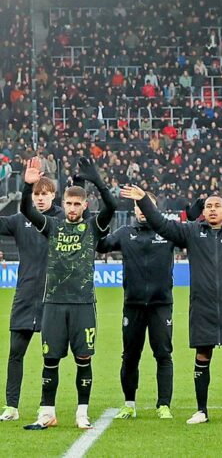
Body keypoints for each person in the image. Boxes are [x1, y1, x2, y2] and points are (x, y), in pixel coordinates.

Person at [123, 180, 222, 425]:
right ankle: (201, 410)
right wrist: (144, 199)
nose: (211, 209)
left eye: (217, 206)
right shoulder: (191, 232)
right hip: (203, 305)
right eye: (208, 206)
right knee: (202, 354)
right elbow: (161, 224)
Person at [20, 157, 116, 430]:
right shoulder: (53, 226)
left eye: (77, 204)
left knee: (83, 358)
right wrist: (28, 187)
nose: (72, 208)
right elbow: (27, 211)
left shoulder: (94, 227)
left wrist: (97, 180)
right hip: (53, 302)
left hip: (83, 303)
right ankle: (47, 412)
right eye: (69, 203)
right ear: (62, 204)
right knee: (50, 359)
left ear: (85, 206)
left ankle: (81, 412)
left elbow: (112, 206)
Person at [98, 191, 176, 421]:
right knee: (130, 356)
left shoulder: (168, 232)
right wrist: (98, 223)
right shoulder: (125, 233)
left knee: (163, 355)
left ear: (154, 208)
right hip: (133, 306)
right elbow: (102, 245)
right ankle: (129, 404)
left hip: (161, 305)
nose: (142, 210)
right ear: (134, 210)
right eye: (138, 206)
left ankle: (163, 405)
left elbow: (191, 238)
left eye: (146, 205)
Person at [0, 177, 62, 422]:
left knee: (51, 355)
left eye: (44, 194)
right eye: (36, 193)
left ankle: (46, 407)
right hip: (25, 296)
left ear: (53, 195)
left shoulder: (62, 220)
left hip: (53, 298)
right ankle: (11, 407)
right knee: (15, 353)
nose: (39, 197)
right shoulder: (19, 220)